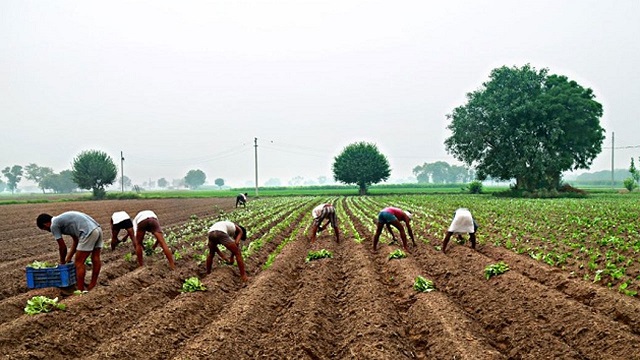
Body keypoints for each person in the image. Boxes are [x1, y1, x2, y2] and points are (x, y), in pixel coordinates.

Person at [36, 211, 103, 291]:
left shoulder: (54, 225)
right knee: (95, 257)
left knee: (79, 263)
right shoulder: (62, 220)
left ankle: (80, 290)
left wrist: (62, 262)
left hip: (88, 232)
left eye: (45, 229)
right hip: (97, 229)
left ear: (45, 224)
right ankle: (92, 285)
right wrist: (68, 258)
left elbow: (62, 248)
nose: (48, 231)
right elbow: (76, 240)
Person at [112, 210, 176, 269]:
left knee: (138, 244)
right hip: (153, 219)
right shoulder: (154, 218)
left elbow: (137, 239)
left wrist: (143, 246)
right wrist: (154, 246)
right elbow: (159, 239)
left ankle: (141, 265)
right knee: (163, 243)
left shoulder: (135, 221)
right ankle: (172, 265)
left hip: (142, 221)